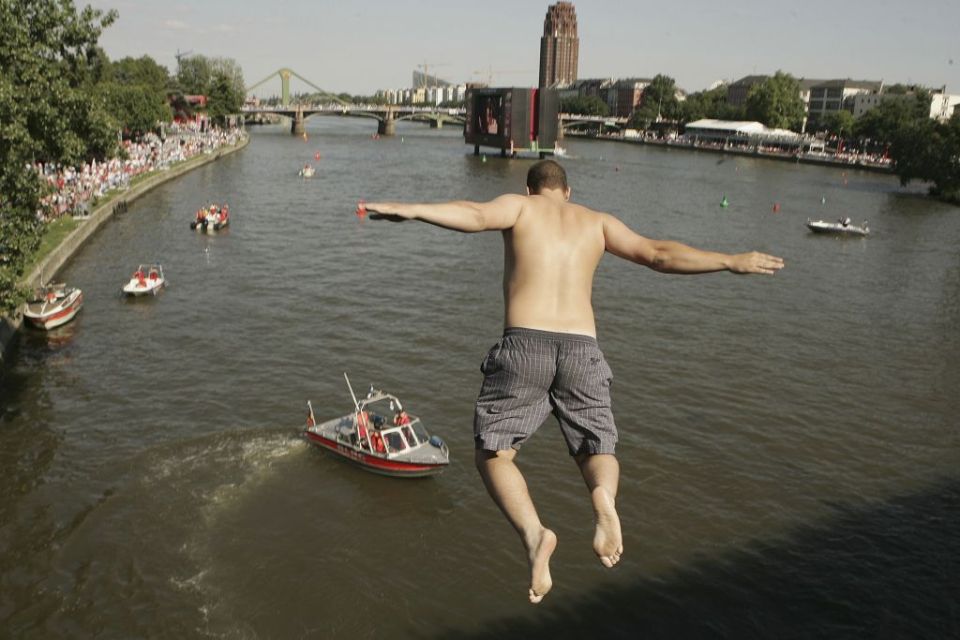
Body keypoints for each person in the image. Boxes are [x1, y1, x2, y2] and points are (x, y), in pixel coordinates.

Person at [365, 160, 784, 604]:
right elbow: (658, 255)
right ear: (567, 192)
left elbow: (475, 215)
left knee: (494, 454)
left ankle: (534, 535)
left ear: (531, 191)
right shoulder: (597, 222)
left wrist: (412, 209)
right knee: (597, 447)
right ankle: (603, 500)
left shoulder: (521, 209)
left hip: (525, 342)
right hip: (583, 348)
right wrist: (728, 260)